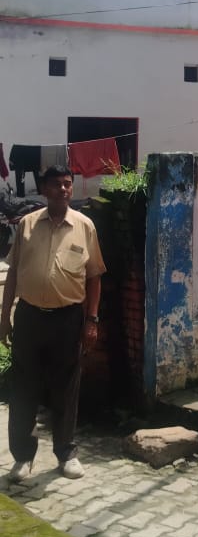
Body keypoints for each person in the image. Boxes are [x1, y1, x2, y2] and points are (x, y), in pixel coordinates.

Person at [0, 165, 106, 482]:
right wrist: (4, 319)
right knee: (23, 389)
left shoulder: (85, 226)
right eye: (56, 184)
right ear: (44, 189)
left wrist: (92, 320)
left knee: (66, 388)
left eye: (67, 184)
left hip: (68, 319)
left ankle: (66, 453)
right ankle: (22, 457)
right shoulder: (28, 225)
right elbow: (13, 273)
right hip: (30, 317)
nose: (63, 189)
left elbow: (94, 277)